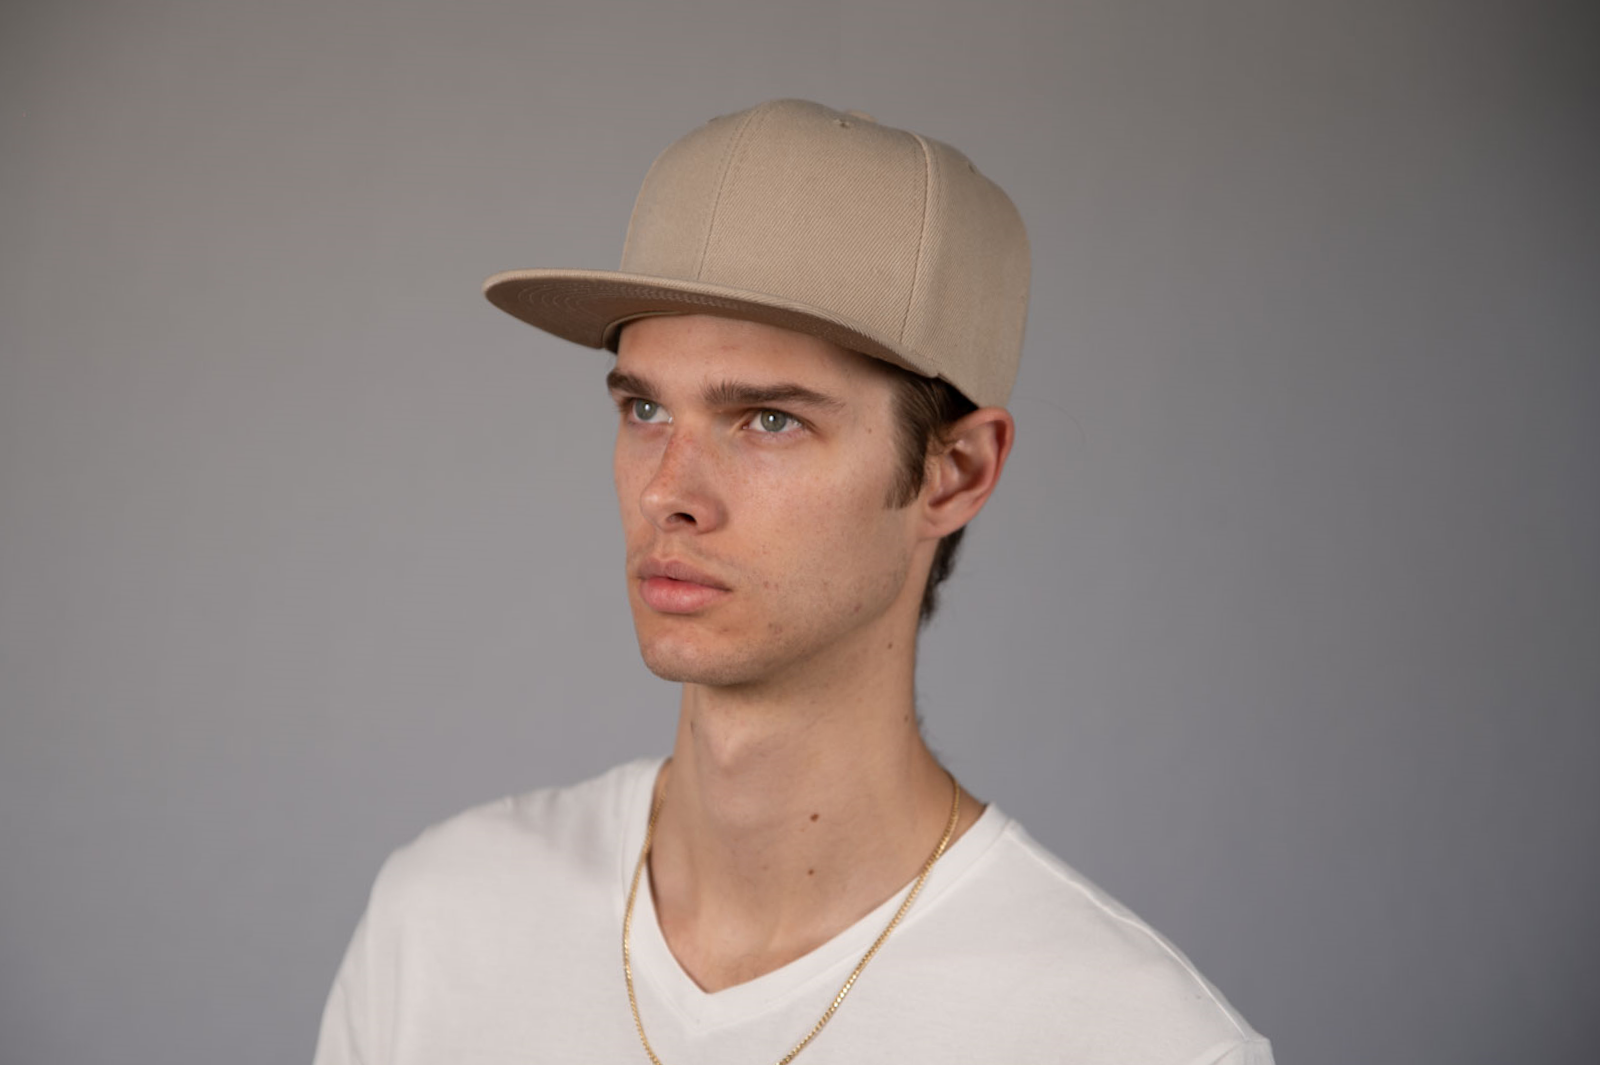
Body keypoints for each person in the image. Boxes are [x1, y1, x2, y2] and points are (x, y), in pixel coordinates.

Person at [313, 98, 1273, 1065]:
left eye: (769, 420)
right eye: (645, 408)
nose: (668, 493)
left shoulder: (1130, 1038)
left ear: (956, 472)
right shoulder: (442, 926)